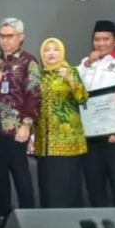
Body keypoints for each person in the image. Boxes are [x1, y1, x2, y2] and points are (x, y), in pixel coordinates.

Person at [0, 18, 40, 224]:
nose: (5, 40)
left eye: (10, 36)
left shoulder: (29, 62)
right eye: (2, 36)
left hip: (17, 128)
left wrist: (26, 124)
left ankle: (28, 217)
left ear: (21, 37)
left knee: (20, 172)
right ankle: (2, 215)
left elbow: (34, 95)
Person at [77, 19, 115, 208]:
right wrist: (88, 64)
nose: (101, 43)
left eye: (106, 39)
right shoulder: (85, 64)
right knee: (93, 181)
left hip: (114, 134)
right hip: (90, 133)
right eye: (97, 39)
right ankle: (99, 219)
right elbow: (76, 89)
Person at [35, 38, 88, 208]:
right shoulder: (40, 77)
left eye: (55, 49)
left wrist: (70, 80)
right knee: (49, 188)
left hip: (67, 140)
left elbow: (83, 98)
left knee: (67, 185)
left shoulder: (70, 71)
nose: (51, 53)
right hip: (45, 143)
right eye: (47, 50)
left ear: (62, 52)